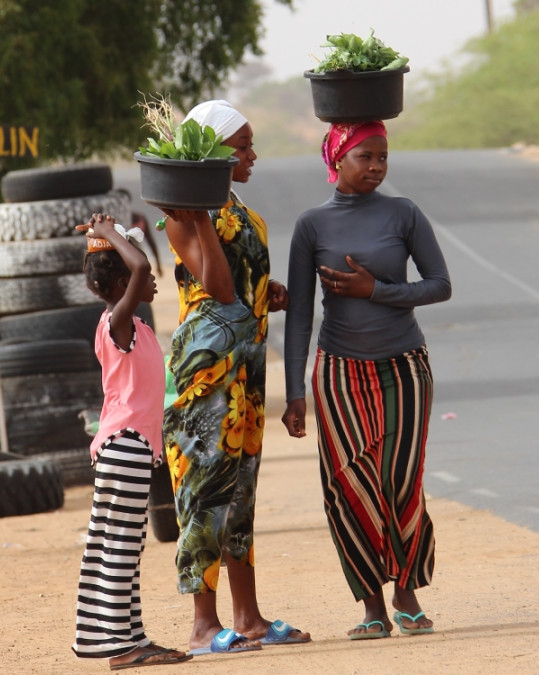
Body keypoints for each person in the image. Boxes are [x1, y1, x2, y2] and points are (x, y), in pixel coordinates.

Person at [281, 120, 452, 640]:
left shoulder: (404, 214)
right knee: (349, 483)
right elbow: (300, 316)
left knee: (401, 482)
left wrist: (375, 289)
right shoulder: (312, 226)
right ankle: (372, 606)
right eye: (365, 157)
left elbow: (440, 285)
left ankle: (407, 592)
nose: (377, 166)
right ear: (337, 159)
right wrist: (294, 392)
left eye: (382, 157)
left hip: (404, 369)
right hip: (339, 374)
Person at [161, 99, 310, 655]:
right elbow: (218, 290)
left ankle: (248, 617)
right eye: (242, 146)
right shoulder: (183, 214)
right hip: (207, 374)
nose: (252, 154)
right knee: (205, 492)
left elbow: (239, 283)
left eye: (250, 144)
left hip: (246, 370)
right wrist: (199, 209)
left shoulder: (238, 206)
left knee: (241, 492)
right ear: (213, 155)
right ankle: (203, 627)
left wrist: (265, 292)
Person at [71, 212, 191, 669]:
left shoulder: (135, 328)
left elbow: (138, 268)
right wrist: (107, 236)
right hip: (126, 447)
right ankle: (121, 647)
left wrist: (115, 235)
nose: (152, 278)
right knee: (120, 546)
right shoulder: (114, 325)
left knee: (120, 543)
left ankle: (125, 637)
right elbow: (141, 268)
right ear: (123, 284)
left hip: (129, 448)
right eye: (142, 274)